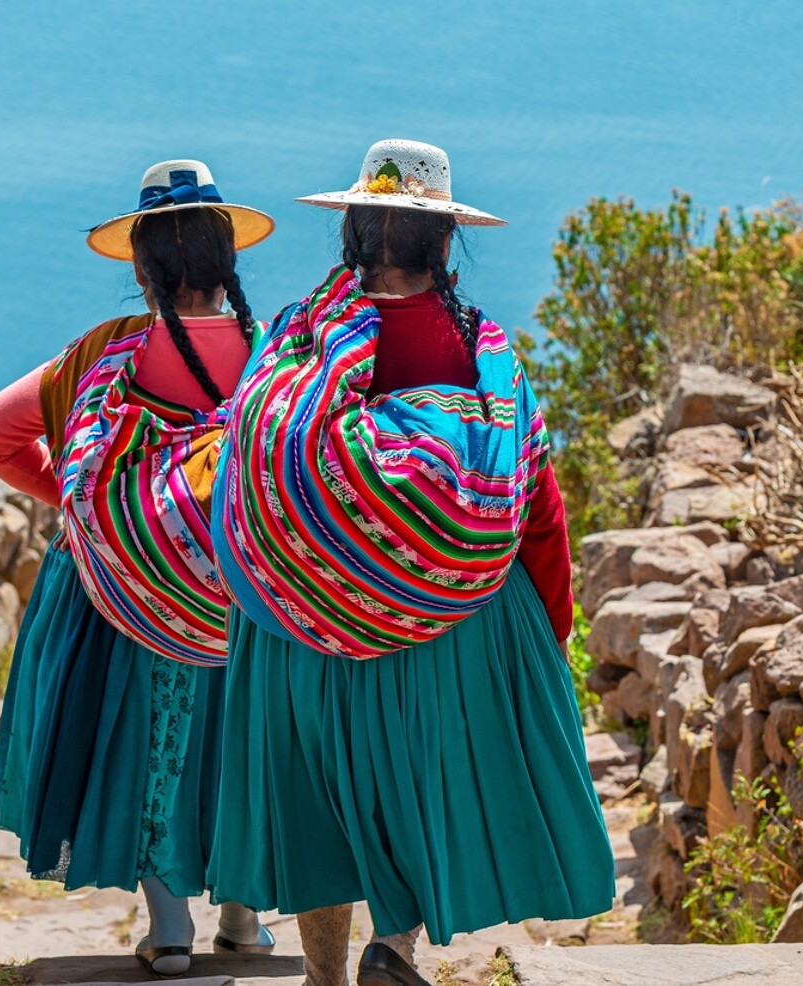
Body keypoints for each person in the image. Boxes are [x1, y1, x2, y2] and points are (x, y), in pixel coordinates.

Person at [205, 139, 614, 986]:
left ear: (353, 230)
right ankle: (391, 950)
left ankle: (323, 975)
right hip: (450, 624)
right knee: (422, 792)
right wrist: (551, 627)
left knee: (318, 811)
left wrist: (266, 588)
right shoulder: (481, 352)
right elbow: (535, 503)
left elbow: (244, 470)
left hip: (303, 626)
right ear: (445, 239)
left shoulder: (297, 340)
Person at [0, 159, 276, 978]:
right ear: (228, 263)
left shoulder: (105, 356)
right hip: (245, 593)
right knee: (242, 743)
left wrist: (98, 505)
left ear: (142, 271)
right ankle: (244, 917)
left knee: (144, 740)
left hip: (121, 594)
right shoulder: (274, 358)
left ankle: (169, 925)